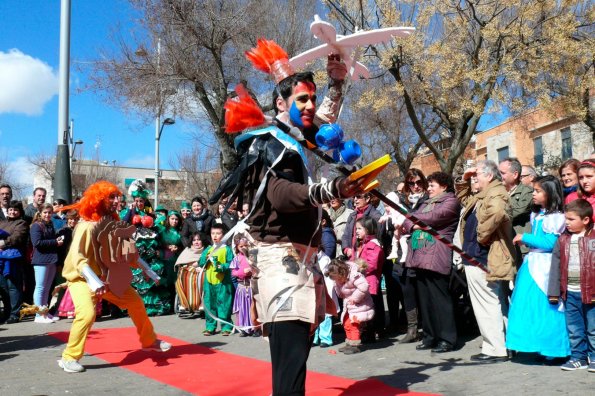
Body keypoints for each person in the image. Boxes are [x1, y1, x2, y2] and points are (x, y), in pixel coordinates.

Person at [209, 39, 362, 395]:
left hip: (300, 260)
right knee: (291, 367)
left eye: (312, 97)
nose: (310, 106)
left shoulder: (293, 137)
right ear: (280, 104)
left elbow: (320, 125)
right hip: (281, 262)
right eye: (302, 100)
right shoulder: (269, 142)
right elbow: (280, 195)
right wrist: (331, 190)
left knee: (293, 365)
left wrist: (336, 82)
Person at [57, 181, 171, 373]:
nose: (116, 200)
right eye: (111, 197)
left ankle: (149, 340)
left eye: (116, 196)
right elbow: (78, 259)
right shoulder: (86, 227)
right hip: (82, 279)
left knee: (135, 302)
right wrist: (94, 282)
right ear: (98, 200)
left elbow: (130, 253)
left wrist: (148, 270)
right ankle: (69, 357)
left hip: (107, 279)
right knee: (87, 315)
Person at [457, 160, 515, 363]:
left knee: (487, 304)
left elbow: (497, 213)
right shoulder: (482, 195)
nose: (475, 178)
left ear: (489, 176)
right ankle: (502, 345)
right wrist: (464, 180)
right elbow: (463, 199)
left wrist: (481, 235)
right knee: (492, 302)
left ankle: (495, 349)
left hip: (483, 257)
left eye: (477, 175)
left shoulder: (496, 193)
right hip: (476, 256)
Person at [506, 175, 569, 358]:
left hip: (545, 267)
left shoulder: (556, 217)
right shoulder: (538, 214)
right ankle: (536, 344)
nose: (533, 194)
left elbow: (551, 243)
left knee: (546, 306)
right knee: (528, 306)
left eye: (538, 191)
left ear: (550, 193)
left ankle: (554, 349)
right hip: (532, 264)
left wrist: (525, 237)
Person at [401, 171, 460, 353]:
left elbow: (436, 217)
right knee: (425, 300)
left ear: (443, 186)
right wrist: (416, 223)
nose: (430, 188)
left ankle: (446, 339)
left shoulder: (451, 201)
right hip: (419, 256)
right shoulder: (425, 202)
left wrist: (415, 222)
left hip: (436, 255)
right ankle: (429, 336)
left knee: (439, 299)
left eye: (432, 185)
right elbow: (407, 221)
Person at [548, 199, 595, 371]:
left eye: (571, 219)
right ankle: (578, 358)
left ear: (585, 220)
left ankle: (594, 357)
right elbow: (556, 266)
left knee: (593, 328)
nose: (566, 222)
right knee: (574, 328)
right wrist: (553, 291)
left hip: (591, 292)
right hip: (570, 293)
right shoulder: (562, 240)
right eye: (566, 219)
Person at [394, 168, 429, 343]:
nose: (416, 186)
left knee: (424, 290)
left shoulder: (428, 199)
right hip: (403, 252)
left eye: (419, 182)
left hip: (422, 246)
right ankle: (412, 328)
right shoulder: (401, 201)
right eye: (411, 183)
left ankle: (428, 328)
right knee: (407, 290)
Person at [325, 258, 374, 354]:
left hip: (359, 304)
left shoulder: (354, 275)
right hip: (349, 305)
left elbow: (364, 286)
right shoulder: (339, 278)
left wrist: (355, 298)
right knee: (346, 323)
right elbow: (339, 289)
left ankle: (355, 345)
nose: (337, 280)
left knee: (353, 324)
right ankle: (349, 342)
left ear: (342, 272)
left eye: (338, 278)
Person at [352, 216, 385, 341]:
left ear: (368, 229)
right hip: (366, 280)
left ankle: (372, 332)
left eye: (360, 229)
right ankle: (368, 331)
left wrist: (357, 268)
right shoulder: (365, 243)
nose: (357, 231)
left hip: (370, 281)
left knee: (371, 308)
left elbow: (371, 265)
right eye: (356, 229)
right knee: (367, 307)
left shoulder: (372, 244)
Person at [198, 223, 234, 336]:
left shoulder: (226, 249)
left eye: (218, 233)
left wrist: (222, 266)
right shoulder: (208, 249)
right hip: (209, 282)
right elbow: (200, 263)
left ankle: (226, 326)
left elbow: (231, 263)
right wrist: (205, 258)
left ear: (223, 235)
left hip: (223, 282)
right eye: (213, 233)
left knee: (224, 304)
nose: (215, 236)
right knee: (209, 304)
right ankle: (210, 326)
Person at [30, 203, 63, 323]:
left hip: (51, 260)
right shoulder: (36, 226)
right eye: (45, 212)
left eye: (49, 212)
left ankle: (45, 313)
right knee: (40, 287)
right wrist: (55, 242)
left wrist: (57, 241)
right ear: (40, 213)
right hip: (41, 261)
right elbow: (37, 243)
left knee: (47, 288)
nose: (47, 215)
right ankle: (39, 315)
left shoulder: (49, 225)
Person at [499, 157, 533, 268]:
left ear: (515, 174)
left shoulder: (527, 192)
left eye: (503, 173)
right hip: (503, 246)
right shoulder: (499, 192)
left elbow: (517, 211)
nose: (500, 176)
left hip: (520, 247)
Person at [0, 200, 28, 323]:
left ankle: (15, 314)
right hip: (1, 258)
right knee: (3, 287)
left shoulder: (21, 223)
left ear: (20, 211)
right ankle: (6, 312)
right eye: (11, 209)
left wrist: (4, 242)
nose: (13, 211)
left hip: (13, 260)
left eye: (15, 210)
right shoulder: (2, 223)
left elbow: (17, 237)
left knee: (13, 287)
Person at [313, 210, 337, 347]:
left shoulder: (325, 259)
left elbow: (327, 277)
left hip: (325, 289)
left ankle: (326, 338)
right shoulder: (311, 258)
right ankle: (315, 337)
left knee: (326, 314)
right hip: (314, 289)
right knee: (315, 313)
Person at [230, 234, 256, 336]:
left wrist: (252, 270)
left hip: (252, 286)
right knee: (242, 308)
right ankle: (244, 328)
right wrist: (243, 271)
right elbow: (233, 273)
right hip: (241, 287)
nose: (244, 248)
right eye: (241, 246)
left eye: (246, 245)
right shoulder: (237, 258)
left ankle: (254, 328)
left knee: (252, 308)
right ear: (236, 247)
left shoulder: (252, 257)